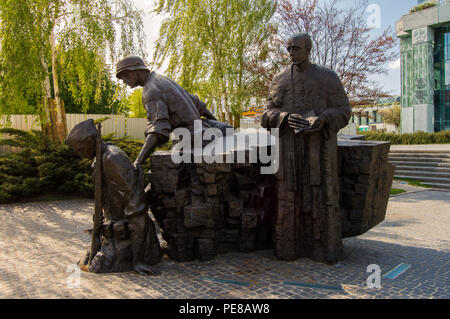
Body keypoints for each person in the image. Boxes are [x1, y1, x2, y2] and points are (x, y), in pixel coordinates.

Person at [261, 33, 351, 263]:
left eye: (296, 48)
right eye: (288, 48)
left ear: (308, 49)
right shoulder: (280, 78)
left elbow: (343, 110)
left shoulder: (328, 77)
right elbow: (266, 114)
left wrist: (323, 119)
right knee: (288, 197)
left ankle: (321, 249)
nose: (291, 52)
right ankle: (289, 248)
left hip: (318, 148)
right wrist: (283, 117)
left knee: (320, 195)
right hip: (289, 149)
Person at [65, 119, 161, 274]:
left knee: (98, 265)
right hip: (113, 231)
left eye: (81, 149)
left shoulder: (112, 158)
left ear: (89, 141)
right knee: (93, 262)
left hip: (128, 233)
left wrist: (138, 260)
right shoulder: (99, 158)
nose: (81, 155)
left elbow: (136, 205)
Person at [115, 56, 232, 171]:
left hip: (192, 137)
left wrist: (138, 161)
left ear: (132, 72)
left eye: (123, 77)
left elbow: (158, 130)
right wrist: (216, 123)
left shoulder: (150, 91)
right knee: (229, 129)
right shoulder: (162, 79)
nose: (124, 81)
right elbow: (198, 104)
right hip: (202, 128)